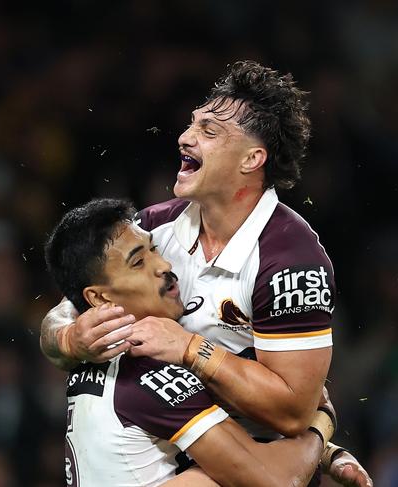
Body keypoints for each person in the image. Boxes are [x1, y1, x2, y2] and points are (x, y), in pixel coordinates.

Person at [40, 61, 371, 486]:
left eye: (210, 132)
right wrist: (71, 338)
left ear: (253, 159)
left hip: (248, 468)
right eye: (193, 123)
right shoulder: (155, 229)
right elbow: (65, 313)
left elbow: (291, 414)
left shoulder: (290, 260)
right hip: (176, 454)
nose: (185, 137)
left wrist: (192, 348)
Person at [45, 198, 340, 487]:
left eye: (154, 250)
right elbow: (277, 480)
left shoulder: (92, 348)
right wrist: (320, 423)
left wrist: (329, 454)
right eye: (138, 263)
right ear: (99, 298)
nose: (163, 265)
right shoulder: (148, 370)